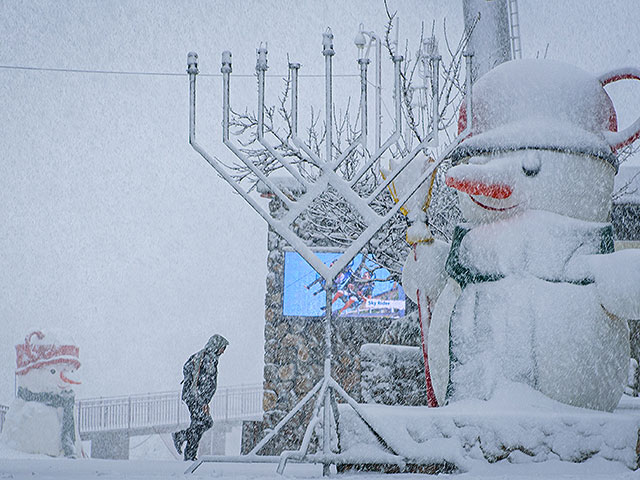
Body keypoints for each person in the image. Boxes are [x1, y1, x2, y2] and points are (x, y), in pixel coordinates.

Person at [172, 334, 229, 461]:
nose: (223, 351)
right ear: (216, 346)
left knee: (198, 424)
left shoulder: (203, 356)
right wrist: (202, 401)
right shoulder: (209, 359)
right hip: (196, 398)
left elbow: (191, 372)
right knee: (204, 422)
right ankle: (180, 437)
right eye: (222, 348)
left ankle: (189, 455)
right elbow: (206, 382)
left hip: (193, 397)